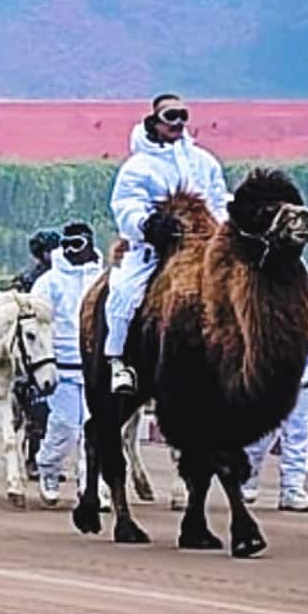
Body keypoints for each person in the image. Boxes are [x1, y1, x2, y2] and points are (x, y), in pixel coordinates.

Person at [103, 94, 229, 395]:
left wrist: (221, 228)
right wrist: (147, 225)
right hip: (155, 249)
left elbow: (219, 200)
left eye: (183, 116)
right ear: (155, 122)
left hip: (203, 245)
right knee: (124, 294)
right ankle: (118, 361)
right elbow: (125, 205)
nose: (178, 123)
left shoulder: (204, 162)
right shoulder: (138, 167)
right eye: (171, 116)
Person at [245, 272, 308, 511]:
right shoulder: (257, 283)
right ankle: (246, 479)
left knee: (298, 434)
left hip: (302, 373)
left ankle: (293, 488)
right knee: (259, 432)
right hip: (267, 372)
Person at [31, 223, 102, 506]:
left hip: (96, 367)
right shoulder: (48, 282)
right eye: (67, 244)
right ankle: (48, 467)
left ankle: (90, 487)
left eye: (78, 244)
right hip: (62, 367)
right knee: (66, 427)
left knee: (93, 429)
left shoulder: (103, 277)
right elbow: (35, 325)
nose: (72, 251)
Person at [11, 228, 62, 478]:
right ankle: (33, 459)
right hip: (32, 352)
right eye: (52, 249)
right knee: (38, 412)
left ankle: (51, 461)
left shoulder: (67, 277)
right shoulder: (26, 280)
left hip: (58, 348)